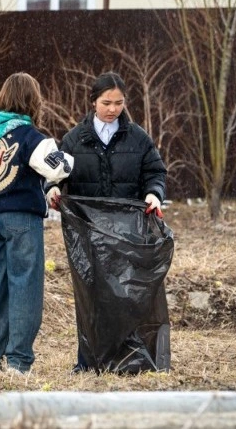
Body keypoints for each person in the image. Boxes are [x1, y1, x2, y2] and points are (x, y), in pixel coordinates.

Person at [46, 71, 167, 373]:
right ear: (93, 102)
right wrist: (52, 189)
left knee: (128, 295)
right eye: (106, 103)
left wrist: (153, 194)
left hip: (128, 233)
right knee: (93, 296)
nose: (113, 109)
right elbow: (54, 173)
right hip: (88, 233)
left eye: (119, 103)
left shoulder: (138, 138)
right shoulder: (74, 139)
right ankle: (90, 361)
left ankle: (131, 360)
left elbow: (155, 172)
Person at [0, 72, 73, 374]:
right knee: (25, 286)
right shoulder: (29, 137)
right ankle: (18, 360)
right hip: (22, 219)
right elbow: (58, 168)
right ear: (32, 101)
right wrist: (70, 158)